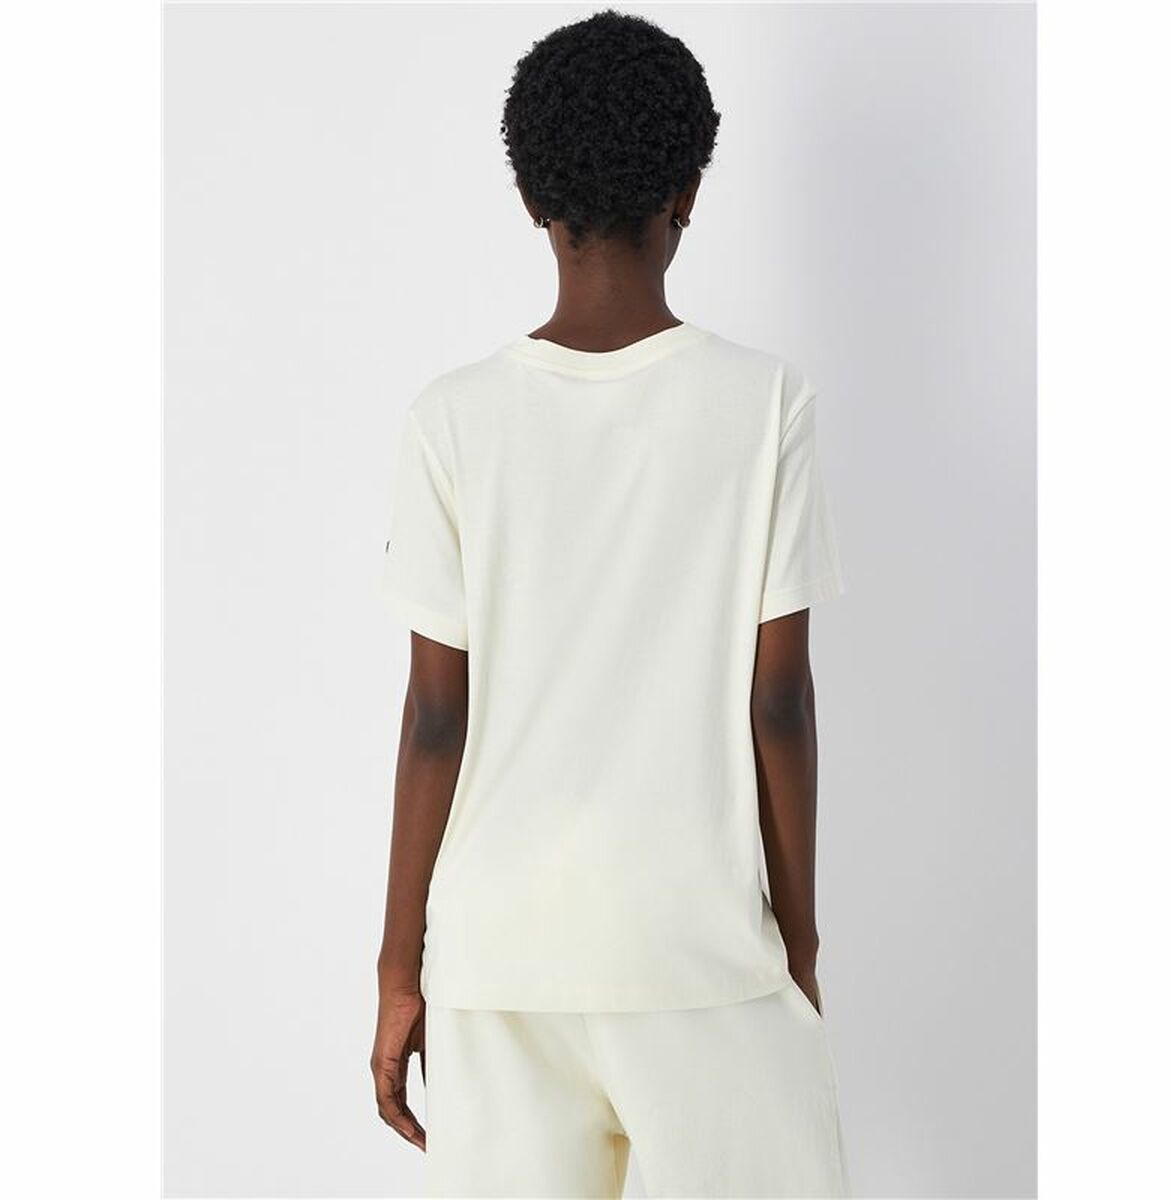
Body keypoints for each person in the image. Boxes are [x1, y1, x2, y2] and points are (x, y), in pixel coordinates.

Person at [371, 9, 850, 1197]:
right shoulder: (764, 404)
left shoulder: (451, 419)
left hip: (499, 958)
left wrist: (398, 969)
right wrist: (798, 939)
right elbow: (778, 703)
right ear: (688, 190)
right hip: (698, 952)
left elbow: (435, 718)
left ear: (530, 196)